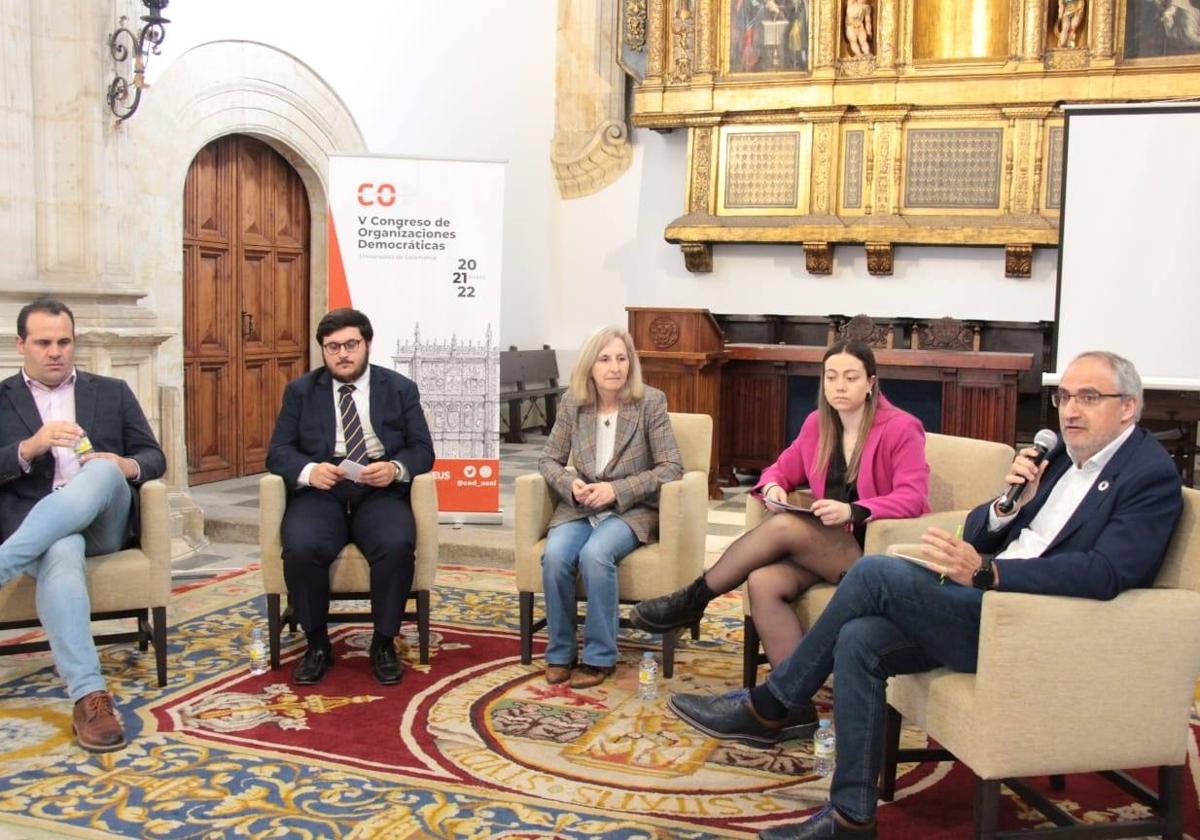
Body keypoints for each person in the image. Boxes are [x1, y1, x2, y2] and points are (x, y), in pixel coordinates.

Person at [667, 350, 1182, 840]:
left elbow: (1107, 572)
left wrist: (992, 573)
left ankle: (771, 706)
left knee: (872, 574)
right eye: (1064, 397)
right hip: (990, 603)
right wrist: (1010, 505)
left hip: (1029, 622)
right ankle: (851, 818)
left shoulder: (1147, 474)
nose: (1070, 409)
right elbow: (983, 528)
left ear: (1128, 407)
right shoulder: (1064, 461)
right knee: (861, 638)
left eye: (1087, 397)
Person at [631, 340, 928, 725]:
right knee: (763, 581)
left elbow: (914, 497)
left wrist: (853, 509)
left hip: (873, 554)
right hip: (827, 552)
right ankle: (793, 707)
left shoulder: (902, 428)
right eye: (831, 377)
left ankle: (694, 598)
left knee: (787, 525)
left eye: (851, 378)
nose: (839, 386)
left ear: (871, 383)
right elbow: (779, 469)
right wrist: (772, 487)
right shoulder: (817, 425)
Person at [0, 298, 166, 753]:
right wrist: (29, 447)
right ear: (21, 345)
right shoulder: (1, 399)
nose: (56, 352)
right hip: (46, 531)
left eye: (64, 342)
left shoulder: (110, 390)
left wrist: (123, 464)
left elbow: (154, 457)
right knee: (60, 548)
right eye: (44, 343)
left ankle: (3, 563)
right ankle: (89, 697)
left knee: (99, 472)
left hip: (104, 522)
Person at [267, 307, 434, 687]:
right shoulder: (300, 392)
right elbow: (278, 452)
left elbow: (423, 450)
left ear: (367, 344)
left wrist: (393, 468)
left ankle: (383, 643)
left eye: (350, 345)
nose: (342, 354)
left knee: (396, 543)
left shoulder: (399, 388)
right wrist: (311, 471)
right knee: (301, 545)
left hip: (378, 489)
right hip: (322, 490)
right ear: (323, 351)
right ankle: (317, 645)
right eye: (332, 347)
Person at [539, 326, 682, 689]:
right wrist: (570, 484)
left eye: (622, 358)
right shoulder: (573, 403)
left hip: (630, 509)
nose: (615, 367)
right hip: (581, 507)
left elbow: (671, 467)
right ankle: (560, 653)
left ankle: (599, 657)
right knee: (555, 556)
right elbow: (548, 461)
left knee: (595, 554)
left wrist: (616, 490)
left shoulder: (650, 401)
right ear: (590, 367)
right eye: (605, 359)